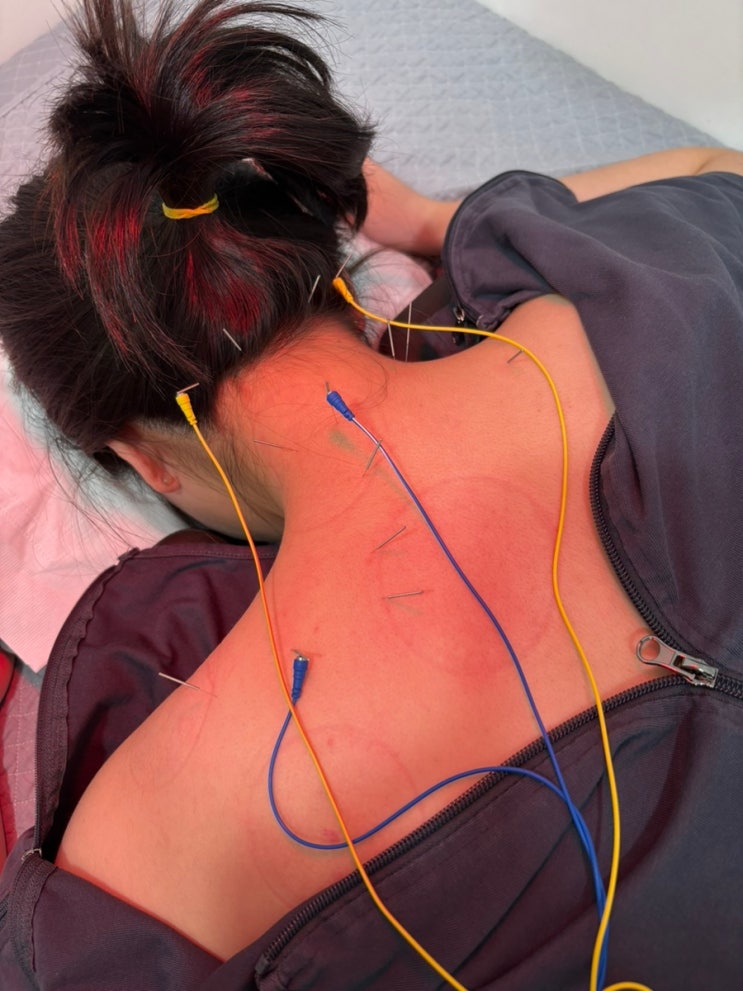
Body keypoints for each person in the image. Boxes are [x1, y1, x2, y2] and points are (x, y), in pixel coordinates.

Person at [1, 1, 743, 988]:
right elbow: (718, 168)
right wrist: (436, 219)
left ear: (145, 460)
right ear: (327, 272)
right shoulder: (651, 267)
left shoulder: (153, 851)